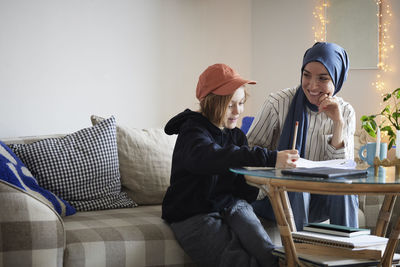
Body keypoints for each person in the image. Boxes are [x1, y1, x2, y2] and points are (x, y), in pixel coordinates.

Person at [162, 63, 299, 267]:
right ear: (210, 103)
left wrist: (257, 178)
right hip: (193, 212)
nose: (238, 111)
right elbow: (210, 157)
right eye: (230, 105)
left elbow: (242, 189)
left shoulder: (236, 136)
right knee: (235, 260)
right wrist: (269, 158)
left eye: (241, 103)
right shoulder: (192, 130)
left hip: (230, 204)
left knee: (267, 252)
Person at [248, 42, 358, 231]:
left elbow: (343, 170)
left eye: (323, 78)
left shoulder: (345, 112)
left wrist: (338, 123)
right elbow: (249, 154)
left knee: (344, 191)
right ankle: (300, 257)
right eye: (306, 75)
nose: (312, 85)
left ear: (336, 80)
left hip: (320, 200)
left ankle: (350, 255)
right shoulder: (277, 103)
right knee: (298, 187)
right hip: (277, 197)